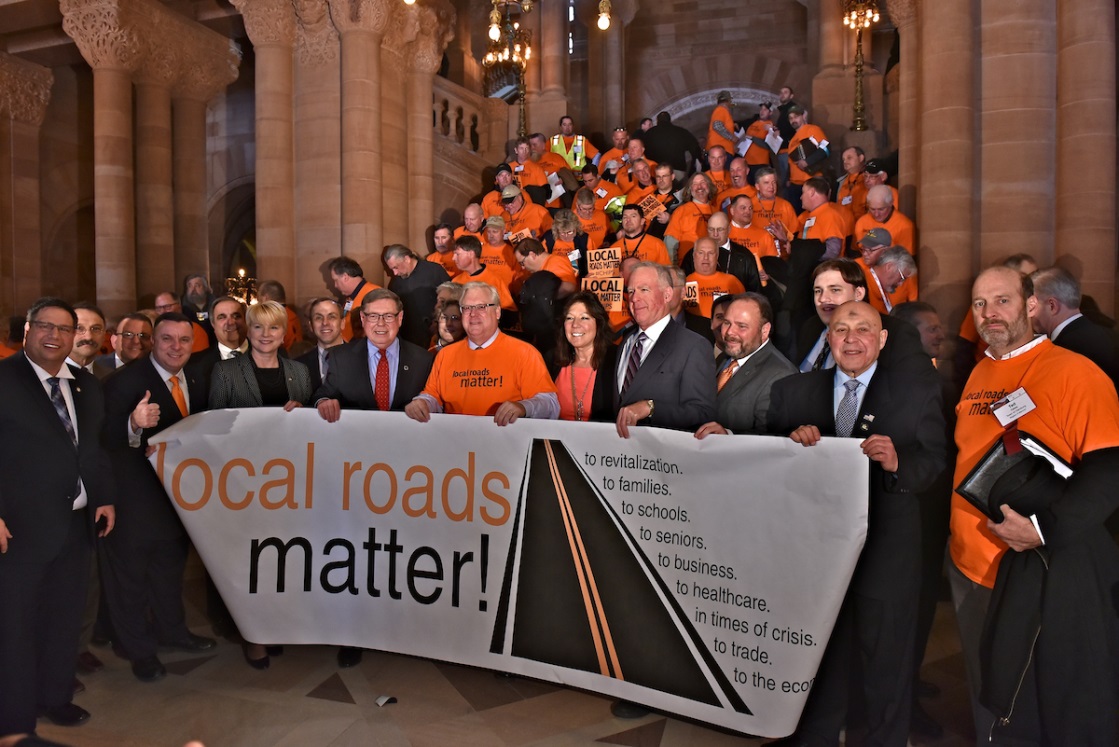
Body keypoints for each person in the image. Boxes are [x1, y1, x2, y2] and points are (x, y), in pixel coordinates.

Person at [948, 266, 1119, 745]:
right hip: (968, 565)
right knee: (987, 694)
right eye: (980, 304)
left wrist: (1044, 529)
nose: (989, 313)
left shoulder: (1073, 371)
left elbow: (1109, 469)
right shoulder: (980, 370)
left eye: (1002, 300)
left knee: (1037, 705)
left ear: (1030, 305)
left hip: (1034, 568)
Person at [768, 300, 945, 747]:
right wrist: (788, 446)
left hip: (887, 552)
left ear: (882, 339)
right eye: (841, 328)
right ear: (828, 337)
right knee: (818, 658)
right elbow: (766, 463)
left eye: (863, 329)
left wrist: (898, 461)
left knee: (887, 661)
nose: (851, 338)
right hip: (815, 555)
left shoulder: (916, 391)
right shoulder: (793, 392)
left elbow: (935, 461)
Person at [0, 298, 115, 733]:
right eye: (44, 326)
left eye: (64, 329)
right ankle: (14, 715)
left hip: (75, 524)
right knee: (16, 625)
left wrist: (103, 496)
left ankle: (56, 698)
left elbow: (92, 449)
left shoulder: (85, 385)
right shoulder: (4, 378)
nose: (54, 335)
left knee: (64, 620)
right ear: (26, 330)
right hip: (19, 528)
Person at [100, 312, 215, 684]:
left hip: (179, 501)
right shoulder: (124, 382)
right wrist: (133, 424)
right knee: (130, 582)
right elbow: (101, 439)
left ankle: (173, 631)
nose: (176, 347)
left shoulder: (196, 378)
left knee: (169, 574)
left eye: (184, 340)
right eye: (168, 339)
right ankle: (139, 652)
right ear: (154, 341)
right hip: (133, 502)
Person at [208, 301, 312, 669]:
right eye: (258, 328)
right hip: (241, 481)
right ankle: (253, 636)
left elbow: (316, 429)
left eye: (273, 329)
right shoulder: (226, 372)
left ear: (285, 334)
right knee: (246, 560)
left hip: (288, 482)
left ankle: (277, 625)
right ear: (247, 332)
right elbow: (213, 425)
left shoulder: (299, 373)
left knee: (281, 556)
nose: (266, 335)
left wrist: (303, 414)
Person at [406, 282, 558, 424]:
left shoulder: (524, 353)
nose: (473, 314)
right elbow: (433, 396)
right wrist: (422, 403)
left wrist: (524, 407)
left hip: (506, 443)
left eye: (481, 307)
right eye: (467, 308)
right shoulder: (446, 355)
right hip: (455, 442)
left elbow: (550, 403)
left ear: (497, 311)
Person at [613, 262, 717, 438]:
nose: (634, 298)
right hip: (620, 457)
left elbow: (702, 412)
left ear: (667, 294)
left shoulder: (693, 346)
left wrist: (651, 408)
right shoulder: (626, 343)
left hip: (664, 459)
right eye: (631, 291)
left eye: (644, 290)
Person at [793, 259, 932, 377]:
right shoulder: (810, 327)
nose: (823, 299)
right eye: (818, 291)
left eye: (835, 290)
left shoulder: (897, 334)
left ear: (858, 293)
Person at [694, 293, 796, 437]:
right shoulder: (723, 358)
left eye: (741, 326)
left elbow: (774, 439)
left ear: (765, 330)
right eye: (727, 323)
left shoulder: (782, 375)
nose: (730, 332)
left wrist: (728, 436)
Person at [1030, 265, 1119, 388]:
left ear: (1052, 306)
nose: (1027, 314)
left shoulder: (1063, 350)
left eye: (1031, 306)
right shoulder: (1112, 335)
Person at [551, 292, 618, 422]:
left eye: (584, 318)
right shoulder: (551, 360)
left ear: (599, 323)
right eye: (569, 318)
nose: (575, 324)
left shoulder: (616, 360)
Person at [383, 243, 451, 348]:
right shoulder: (395, 284)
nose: (395, 273)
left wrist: (439, 321)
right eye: (392, 269)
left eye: (396, 267)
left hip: (436, 336)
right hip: (409, 341)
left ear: (406, 259)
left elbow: (451, 299)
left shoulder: (434, 271)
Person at [784, 103, 830, 212]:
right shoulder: (792, 139)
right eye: (791, 118)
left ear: (803, 116)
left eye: (796, 117)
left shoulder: (812, 129)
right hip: (795, 184)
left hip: (811, 182)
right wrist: (788, 178)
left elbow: (826, 149)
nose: (793, 120)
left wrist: (807, 162)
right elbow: (791, 161)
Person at [683, 237, 745, 319]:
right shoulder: (685, 283)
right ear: (694, 256)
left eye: (711, 253)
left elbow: (743, 310)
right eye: (701, 253)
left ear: (717, 256)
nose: (706, 257)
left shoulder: (732, 281)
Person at [296, 297, 346, 392]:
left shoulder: (362, 360)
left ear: (342, 323)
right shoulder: (298, 367)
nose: (325, 323)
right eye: (318, 318)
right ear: (311, 326)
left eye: (331, 317)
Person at [664, 172, 716, 262]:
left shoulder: (717, 211)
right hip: (687, 266)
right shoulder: (681, 211)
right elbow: (670, 244)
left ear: (709, 186)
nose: (699, 187)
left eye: (702, 182)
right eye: (695, 184)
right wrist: (673, 269)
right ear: (690, 189)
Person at [329, 256, 381, 342]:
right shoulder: (351, 297)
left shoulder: (375, 294)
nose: (335, 285)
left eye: (336, 280)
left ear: (345, 277)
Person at [854, 184, 916, 253]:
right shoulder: (862, 222)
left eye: (881, 209)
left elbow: (906, 259)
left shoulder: (905, 226)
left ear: (891, 203)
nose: (876, 214)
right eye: (872, 209)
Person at [66, 302, 114, 378]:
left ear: (104, 335)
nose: (88, 337)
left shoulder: (111, 378)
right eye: (79, 328)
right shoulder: (48, 374)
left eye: (96, 329)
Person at [706, 90, 741, 157]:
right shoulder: (721, 109)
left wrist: (732, 148)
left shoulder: (722, 111)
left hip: (722, 150)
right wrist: (732, 137)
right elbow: (717, 126)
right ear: (728, 100)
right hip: (720, 151)